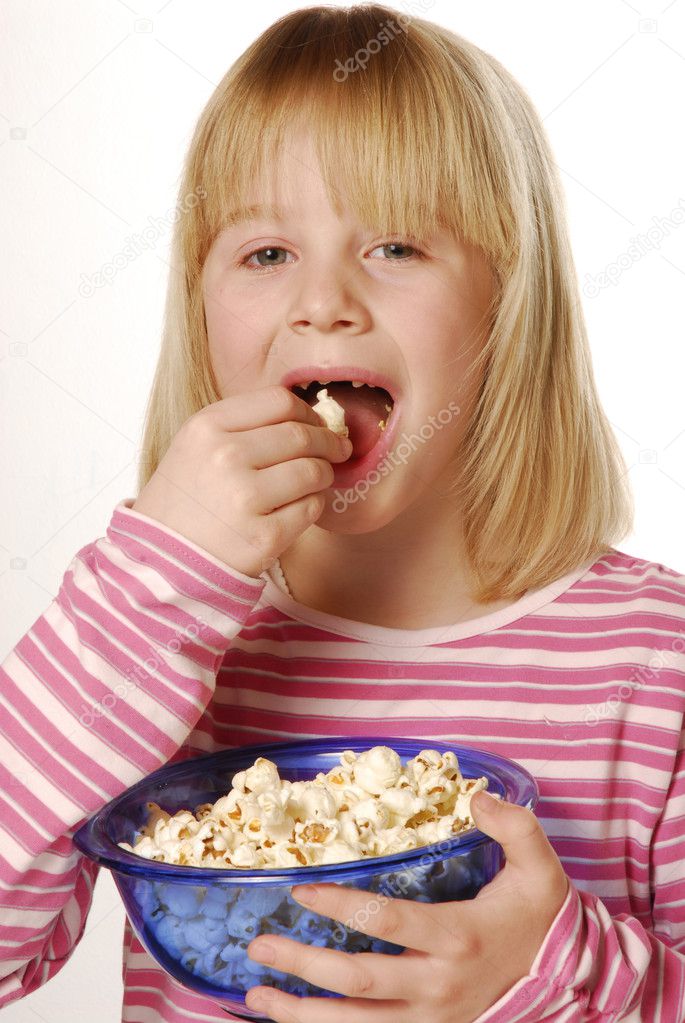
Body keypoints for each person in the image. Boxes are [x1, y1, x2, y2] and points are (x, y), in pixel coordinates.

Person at [1, 5, 683, 1022]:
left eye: (396, 245)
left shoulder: (655, 663)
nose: (321, 302)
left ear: (508, 302)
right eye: (265, 253)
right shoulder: (140, 639)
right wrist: (153, 589)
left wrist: (549, 978)